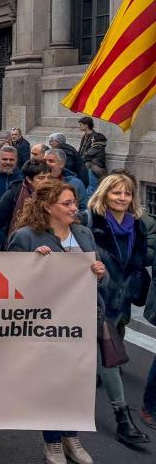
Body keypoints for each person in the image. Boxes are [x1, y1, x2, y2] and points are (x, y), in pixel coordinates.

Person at [7, 181, 102, 464]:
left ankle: (72, 436)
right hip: (44, 325)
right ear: (48, 207)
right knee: (50, 382)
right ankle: (53, 440)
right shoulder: (26, 237)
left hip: (80, 323)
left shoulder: (83, 234)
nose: (75, 208)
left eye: (75, 203)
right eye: (67, 203)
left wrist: (100, 273)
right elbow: (9, 281)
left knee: (75, 381)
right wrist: (33, 266)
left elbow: (97, 280)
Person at [87, 171, 151, 446]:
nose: (122, 198)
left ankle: (121, 418)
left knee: (108, 357)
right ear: (105, 194)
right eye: (116, 192)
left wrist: (132, 286)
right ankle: (122, 417)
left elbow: (138, 260)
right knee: (103, 358)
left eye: (126, 193)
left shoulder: (137, 226)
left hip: (119, 301)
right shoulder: (90, 221)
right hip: (90, 298)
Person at [0, 159, 51, 237]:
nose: (47, 181)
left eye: (49, 177)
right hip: (21, 242)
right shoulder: (14, 193)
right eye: (41, 178)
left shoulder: (55, 194)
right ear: (29, 179)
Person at [78, 117, 107, 197]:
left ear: (86, 125)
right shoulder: (85, 137)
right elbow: (81, 151)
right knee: (86, 187)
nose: (79, 126)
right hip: (85, 166)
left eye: (81, 124)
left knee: (92, 189)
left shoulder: (97, 137)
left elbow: (92, 152)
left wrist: (81, 158)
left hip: (93, 166)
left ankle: (90, 208)